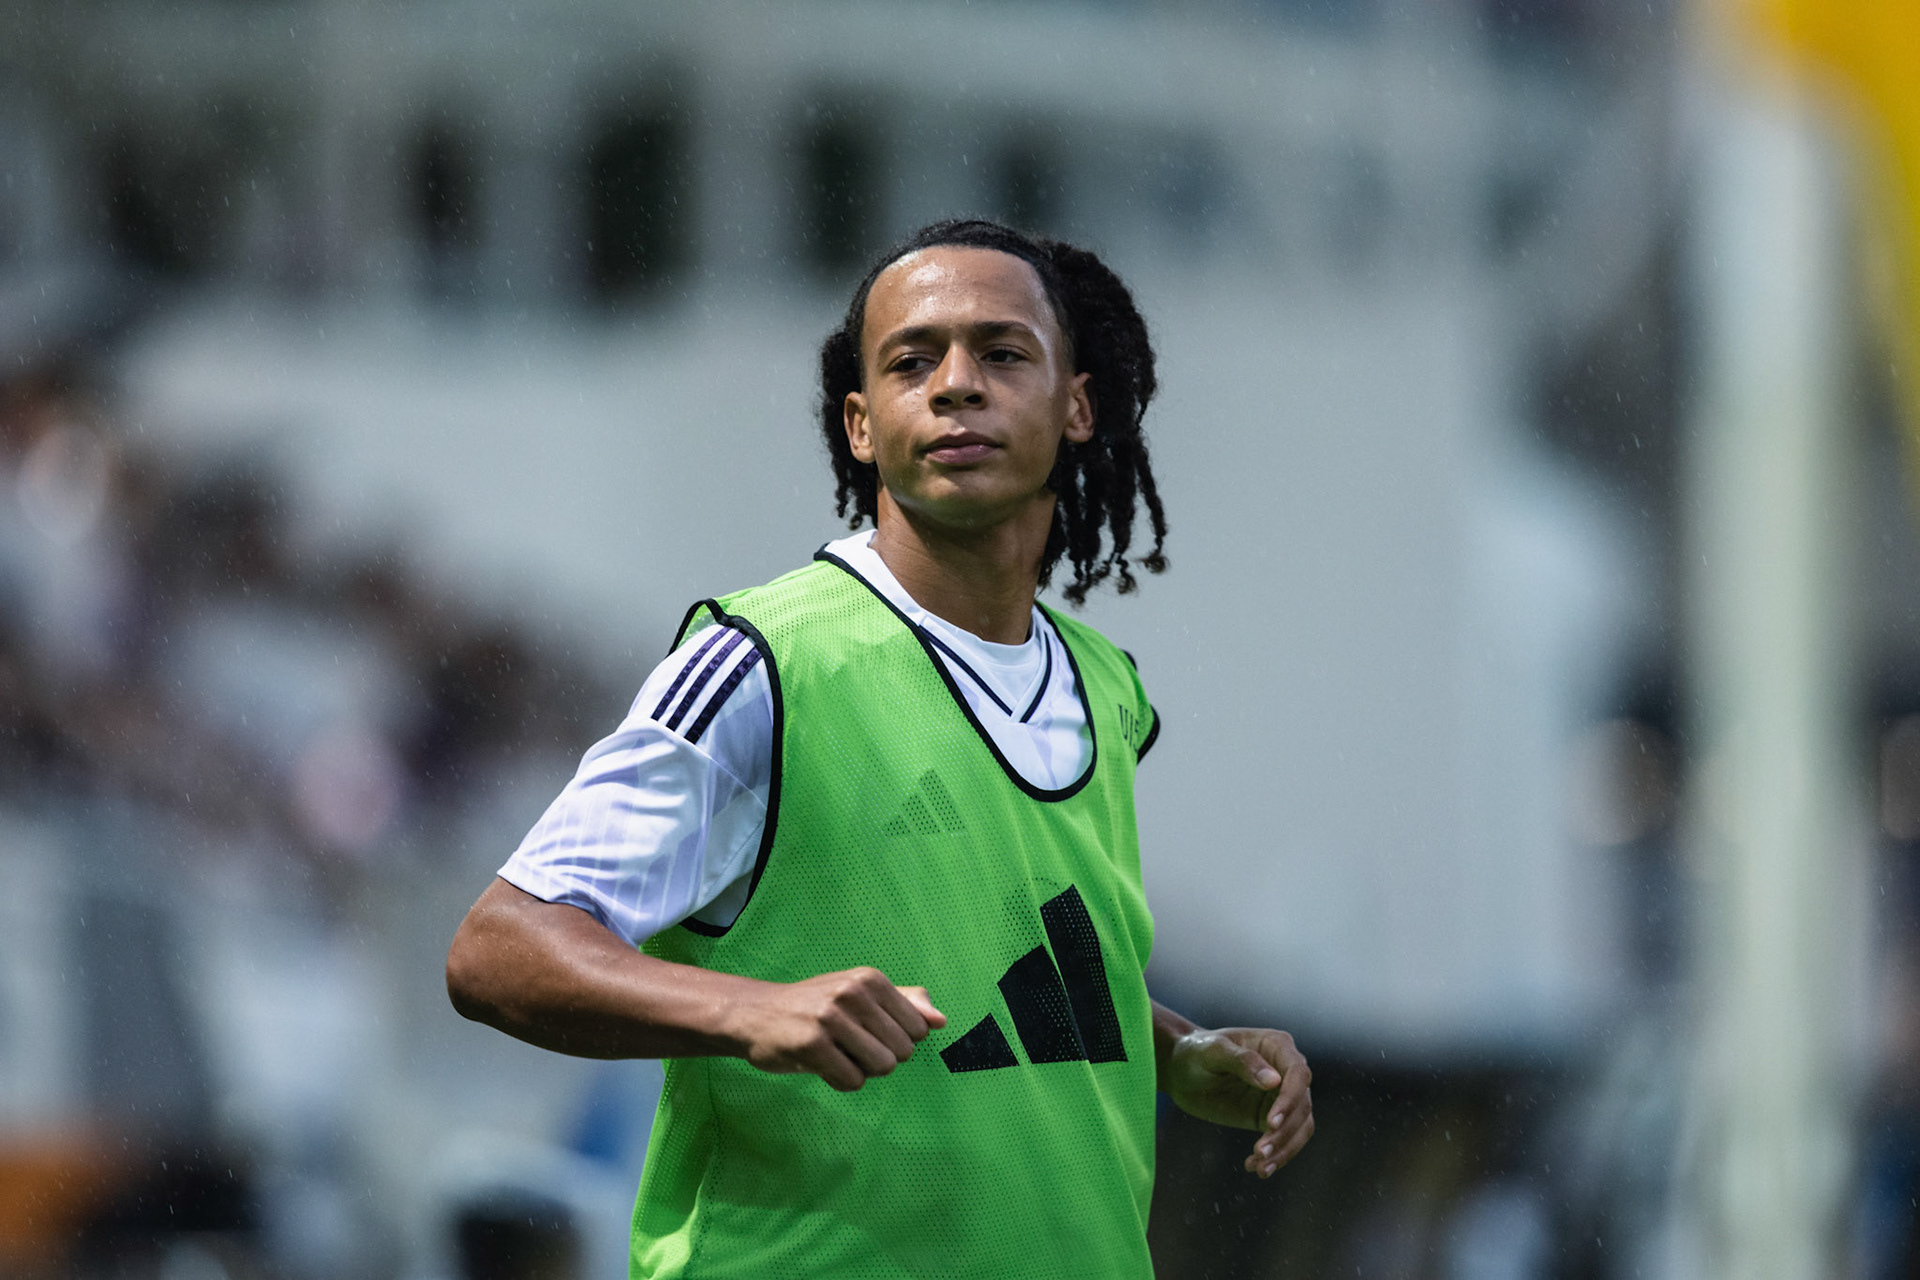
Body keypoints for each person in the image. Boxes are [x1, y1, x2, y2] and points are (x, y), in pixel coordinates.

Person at [446, 219, 1314, 1279]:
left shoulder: (1105, 689)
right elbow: (497, 945)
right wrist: (753, 1008)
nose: (955, 385)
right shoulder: (766, 660)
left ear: (1078, 404)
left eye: (1001, 353)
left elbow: (1010, 972)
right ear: (862, 425)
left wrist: (1178, 1053)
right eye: (913, 361)